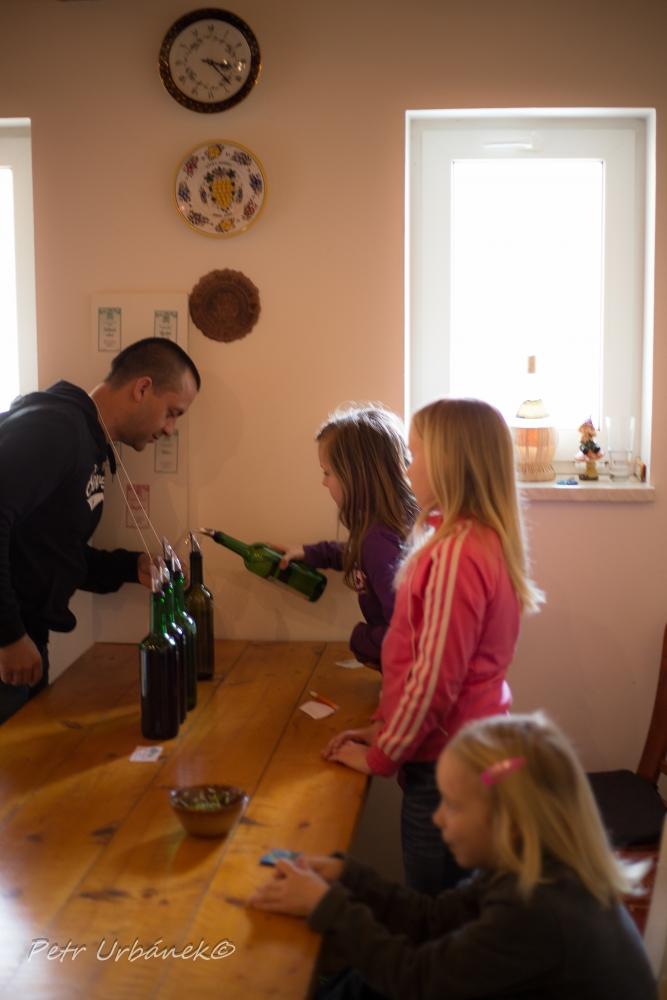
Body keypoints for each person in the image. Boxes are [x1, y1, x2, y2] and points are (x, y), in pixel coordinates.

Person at [249, 712, 658, 1000]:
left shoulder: (538, 909)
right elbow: (433, 919)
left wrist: (328, 906)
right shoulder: (523, 869)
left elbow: (419, 984)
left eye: (454, 806)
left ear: (510, 823)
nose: (438, 817)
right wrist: (348, 876)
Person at [322, 399, 543, 893]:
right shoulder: (476, 540)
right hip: (468, 748)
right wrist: (381, 727)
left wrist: (381, 757)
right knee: (459, 900)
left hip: (447, 766)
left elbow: (433, 680)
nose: (406, 468)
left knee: (436, 907)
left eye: (414, 454)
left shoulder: (454, 554)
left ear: (449, 463)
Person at [0, 337, 201, 724]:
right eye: (172, 413)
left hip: (27, 635)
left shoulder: (89, 442)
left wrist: (130, 567)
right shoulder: (55, 428)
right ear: (142, 388)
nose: (170, 429)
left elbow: (50, 549)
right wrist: (8, 635)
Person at [278, 405, 418, 669]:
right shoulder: (389, 526)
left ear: (356, 475)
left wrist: (362, 640)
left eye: (327, 472)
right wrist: (310, 553)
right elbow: (357, 552)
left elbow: (406, 632)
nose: (324, 482)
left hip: (409, 680)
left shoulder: (379, 542)